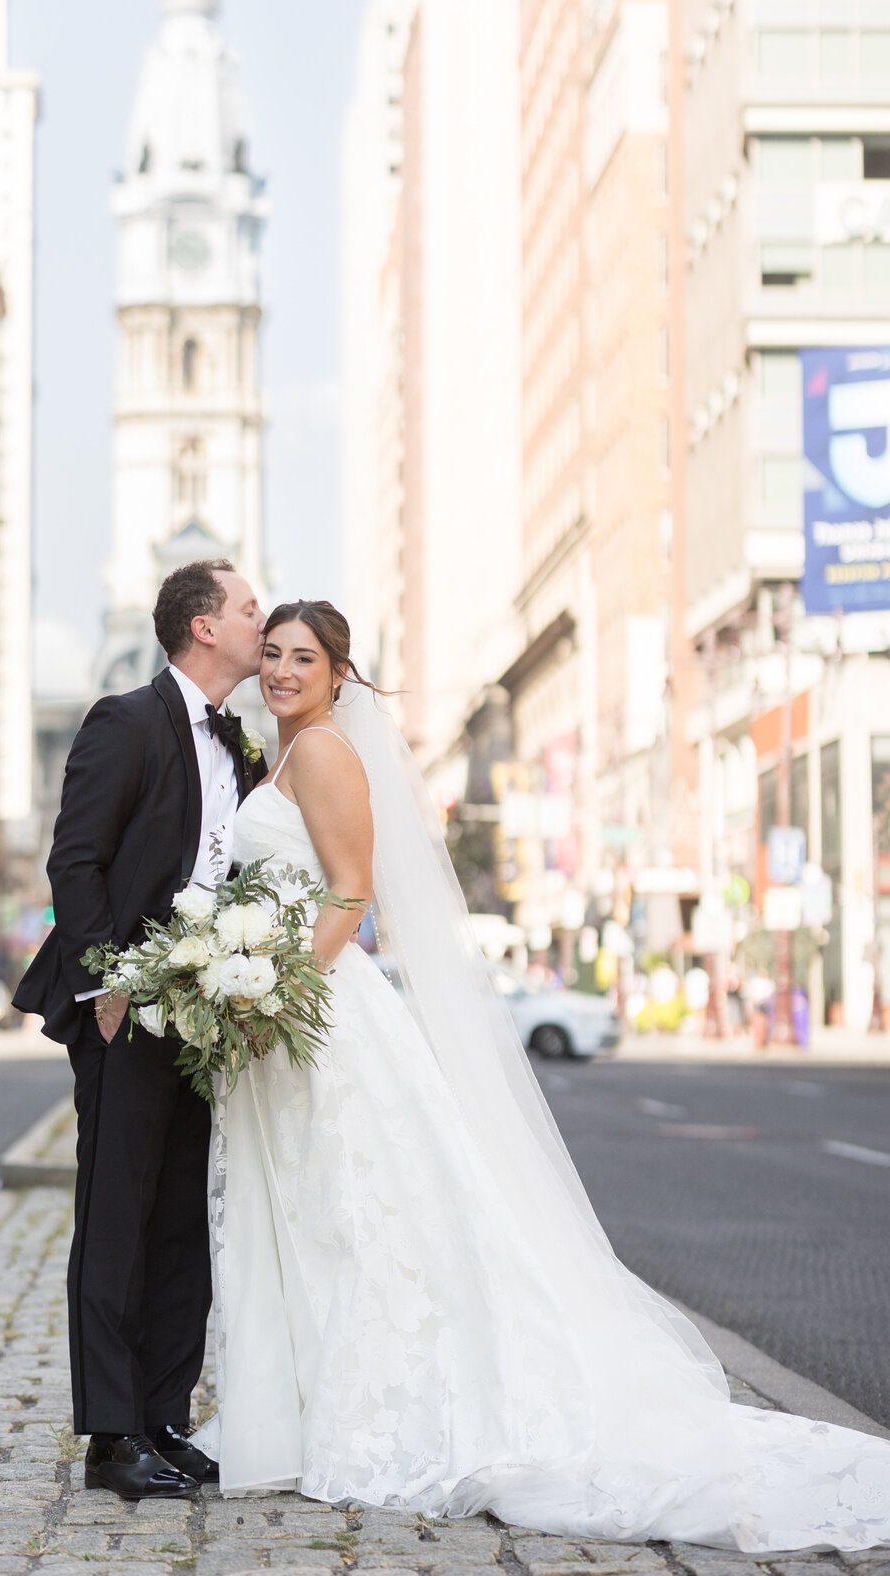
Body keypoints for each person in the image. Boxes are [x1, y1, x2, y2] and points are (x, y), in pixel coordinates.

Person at [193, 598, 890, 1552]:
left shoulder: (318, 754)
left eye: (300, 659)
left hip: (319, 1010)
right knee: (325, 1214)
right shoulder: (283, 752)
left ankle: (376, 1411)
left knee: (353, 1211)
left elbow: (352, 894)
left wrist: (277, 995)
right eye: (270, 654)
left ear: (338, 675)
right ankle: (315, 1406)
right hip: (298, 1008)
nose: (278, 671)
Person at [12, 560, 266, 1499]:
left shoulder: (238, 746)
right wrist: (104, 987)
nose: (259, 619)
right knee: (116, 1222)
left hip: (205, 1017)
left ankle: (163, 1414)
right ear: (203, 627)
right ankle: (111, 1438)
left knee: (181, 1228)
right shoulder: (125, 721)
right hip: (125, 1015)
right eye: (247, 609)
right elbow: (75, 861)